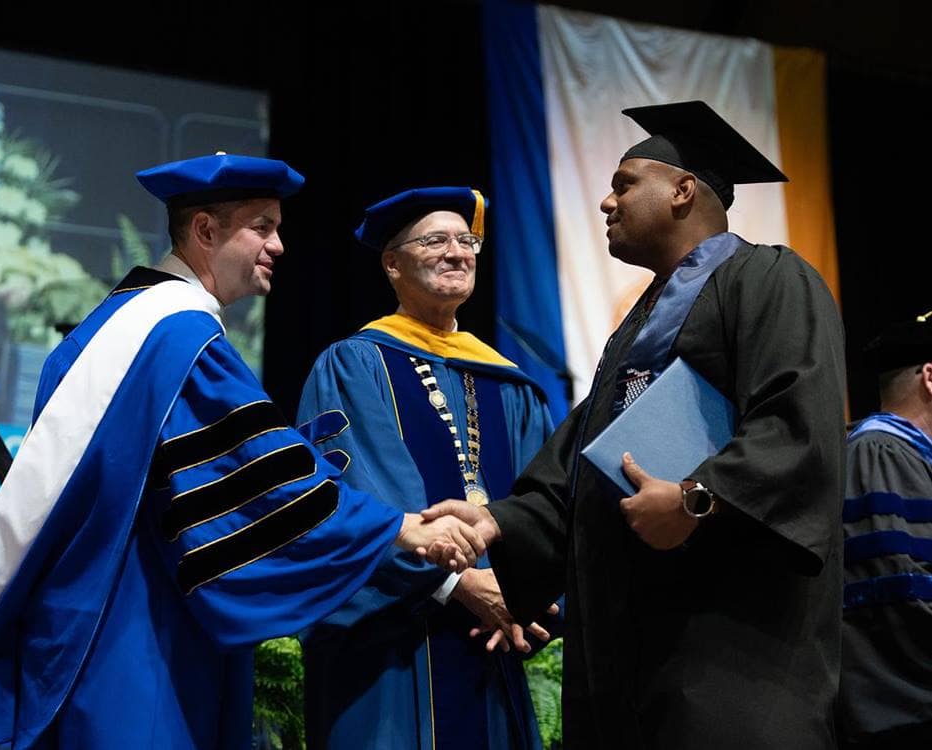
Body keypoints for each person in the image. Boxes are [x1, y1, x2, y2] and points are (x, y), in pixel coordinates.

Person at [0, 153, 484, 749]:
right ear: (204, 231)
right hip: (140, 628)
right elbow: (259, 477)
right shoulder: (181, 338)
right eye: (262, 227)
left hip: (89, 609)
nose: (280, 245)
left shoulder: (110, 326)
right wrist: (398, 528)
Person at [424, 101, 847, 749]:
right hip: (627, 667)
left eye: (624, 184)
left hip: (729, 657)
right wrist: (498, 522)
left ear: (681, 191)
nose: (605, 203)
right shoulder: (636, 331)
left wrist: (695, 500)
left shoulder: (769, 279)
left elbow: (798, 429)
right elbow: (580, 471)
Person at [296, 186, 555, 749]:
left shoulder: (511, 384)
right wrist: (455, 582)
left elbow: (545, 502)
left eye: (468, 241)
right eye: (436, 240)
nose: (458, 252)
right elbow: (353, 494)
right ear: (392, 263)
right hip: (391, 643)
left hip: (491, 634)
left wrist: (524, 595)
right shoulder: (354, 364)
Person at [838, 313, 932, 749]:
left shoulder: (909, 457)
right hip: (903, 716)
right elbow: (896, 593)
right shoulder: (880, 451)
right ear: (930, 377)